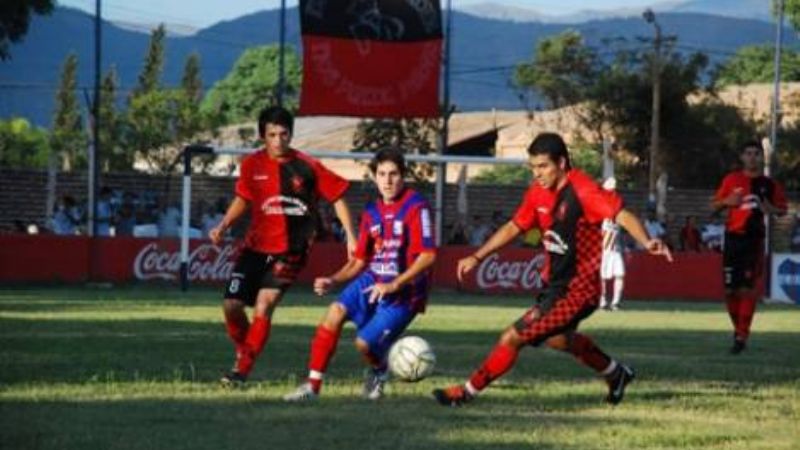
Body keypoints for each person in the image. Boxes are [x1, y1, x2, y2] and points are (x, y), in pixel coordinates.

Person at [432, 133, 672, 407]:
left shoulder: (584, 190)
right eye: (533, 167)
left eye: (543, 166)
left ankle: (464, 393)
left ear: (562, 162)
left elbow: (622, 214)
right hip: (555, 287)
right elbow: (514, 226)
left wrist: (647, 241)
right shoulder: (536, 193)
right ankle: (617, 374)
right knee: (559, 340)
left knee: (512, 337)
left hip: (579, 291)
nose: (538, 174)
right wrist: (477, 256)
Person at [209, 105, 357, 388]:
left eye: (284, 134)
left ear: (291, 134)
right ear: (262, 136)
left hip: (292, 249)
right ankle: (245, 349)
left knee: (264, 306)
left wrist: (350, 235)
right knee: (231, 305)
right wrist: (224, 225)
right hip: (254, 247)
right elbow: (243, 198)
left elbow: (338, 196)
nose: (278, 141)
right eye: (272, 134)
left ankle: (241, 370)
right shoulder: (251, 165)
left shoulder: (307, 166)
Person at [283, 148, 436, 402]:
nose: (387, 180)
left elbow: (428, 256)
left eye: (394, 174)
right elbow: (359, 261)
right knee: (334, 312)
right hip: (372, 281)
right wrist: (333, 279)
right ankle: (312, 387)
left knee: (364, 344)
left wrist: (394, 284)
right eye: (382, 174)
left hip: (404, 293)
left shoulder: (416, 207)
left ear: (403, 176)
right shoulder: (371, 212)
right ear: (375, 177)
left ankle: (379, 371)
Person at [712, 140, 787, 355]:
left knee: (746, 289)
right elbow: (714, 207)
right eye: (749, 153)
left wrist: (768, 208)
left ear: (762, 158)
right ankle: (739, 330)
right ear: (742, 157)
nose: (753, 157)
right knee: (729, 290)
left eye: (756, 154)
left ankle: (741, 335)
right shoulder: (731, 179)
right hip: (732, 239)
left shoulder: (769, 184)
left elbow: (781, 210)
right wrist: (727, 202)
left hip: (753, 241)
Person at [599, 178, 625, 311]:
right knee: (601, 276)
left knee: (620, 274)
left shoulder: (618, 202)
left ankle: (615, 302)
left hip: (616, 247)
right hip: (603, 247)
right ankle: (602, 301)